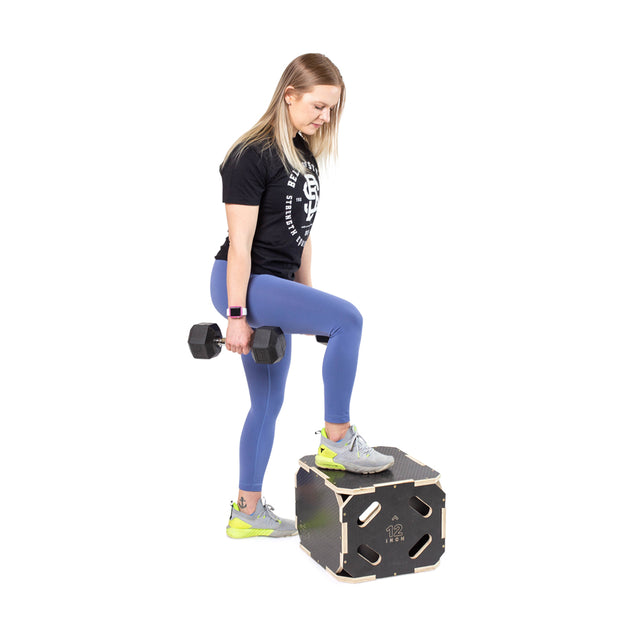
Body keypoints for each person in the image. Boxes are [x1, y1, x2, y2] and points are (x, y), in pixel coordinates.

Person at [210, 53, 394, 539]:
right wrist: (235, 316)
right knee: (349, 320)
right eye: (318, 105)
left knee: (267, 404)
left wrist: (306, 296)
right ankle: (337, 437)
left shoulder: (301, 151)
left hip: (277, 286)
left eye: (332, 109)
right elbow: (241, 245)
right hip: (244, 282)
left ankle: (246, 513)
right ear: (288, 94)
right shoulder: (250, 154)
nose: (325, 118)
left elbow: (302, 234)